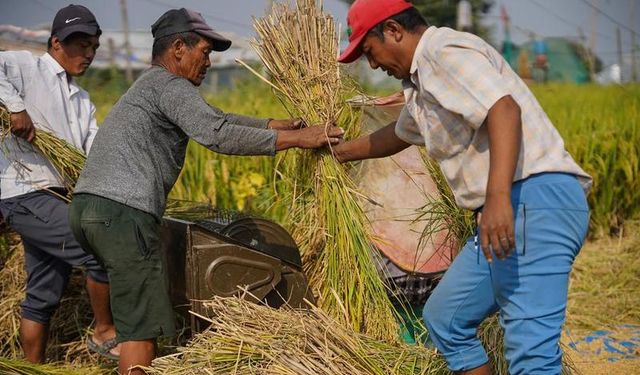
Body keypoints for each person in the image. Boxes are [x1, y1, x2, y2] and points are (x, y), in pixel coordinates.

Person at [68, 8, 344, 375]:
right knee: (141, 330)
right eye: (205, 51)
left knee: (133, 308)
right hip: (122, 213)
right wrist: (297, 139)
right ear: (178, 48)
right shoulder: (170, 86)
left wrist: (273, 123)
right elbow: (216, 134)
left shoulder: (152, 85)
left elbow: (217, 119)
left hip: (89, 208)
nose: (209, 61)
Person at [333, 1, 591, 374]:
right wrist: (341, 152)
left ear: (393, 30)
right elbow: (400, 134)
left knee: (531, 354)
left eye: (370, 52)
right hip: (503, 211)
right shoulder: (421, 85)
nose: (372, 65)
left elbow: (504, 109)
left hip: (531, 200)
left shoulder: (442, 52)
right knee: (445, 319)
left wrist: (498, 198)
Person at [0, 5, 119, 362]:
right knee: (100, 247)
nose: (88, 53)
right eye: (80, 44)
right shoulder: (26, 67)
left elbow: (92, 151)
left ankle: (30, 369)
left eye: (94, 47)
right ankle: (104, 331)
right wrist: (15, 106)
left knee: (42, 295)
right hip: (26, 193)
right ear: (56, 43)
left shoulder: (82, 100)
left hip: (58, 196)